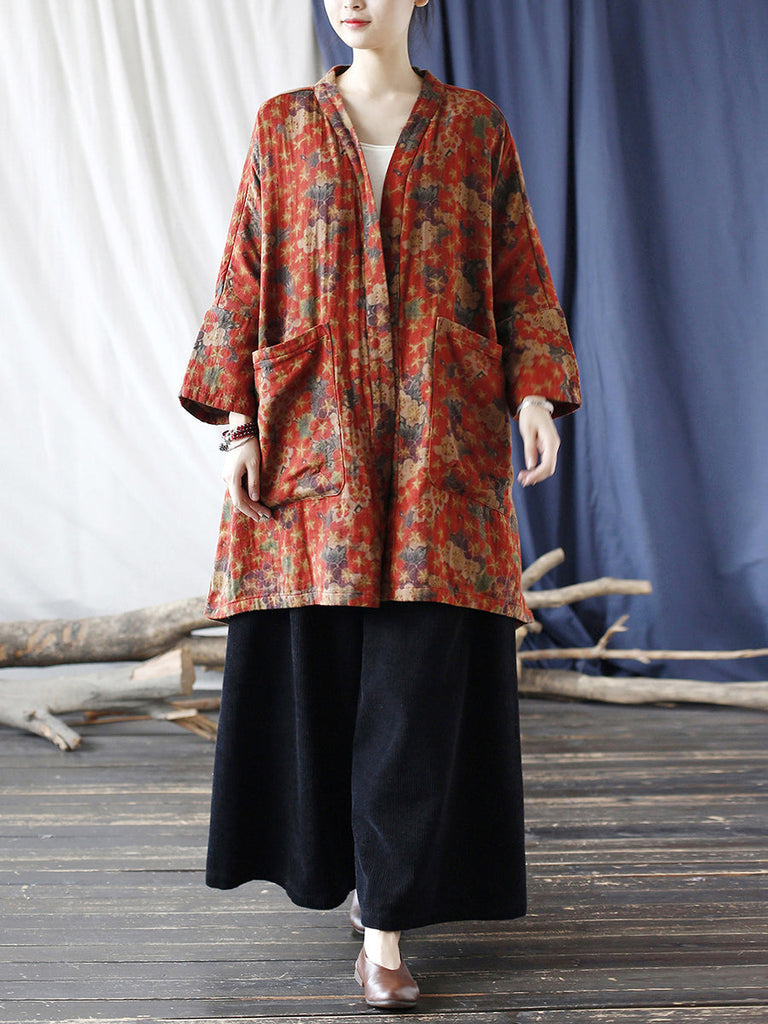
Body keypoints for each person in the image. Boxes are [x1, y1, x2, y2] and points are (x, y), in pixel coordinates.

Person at [180, 0, 580, 1010]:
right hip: (312, 439)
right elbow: (245, 273)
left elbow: (518, 270)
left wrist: (534, 392)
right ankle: (353, 877)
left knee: (415, 688)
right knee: (324, 682)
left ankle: (387, 928)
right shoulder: (283, 125)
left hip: (440, 439)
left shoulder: (474, 127)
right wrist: (236, 425)